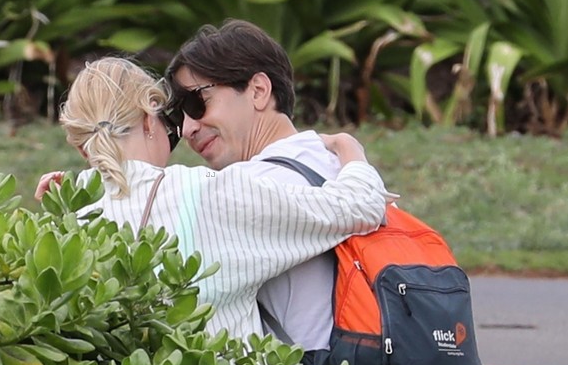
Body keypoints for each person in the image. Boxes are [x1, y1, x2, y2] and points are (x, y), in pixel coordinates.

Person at [41, 57, 394, 342]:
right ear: (149, 120)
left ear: (81, 148)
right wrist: (348, 147)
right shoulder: (211, 193)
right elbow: (359, 207)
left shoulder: (66, 219)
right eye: (171, 120)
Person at [164, 19, 358, 365]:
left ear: (257, 91)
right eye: (178, 117)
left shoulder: (253, 187)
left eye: (197, 102)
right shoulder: (335, 163)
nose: (189, 128)